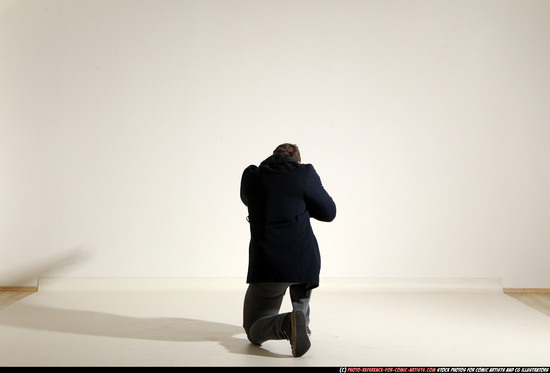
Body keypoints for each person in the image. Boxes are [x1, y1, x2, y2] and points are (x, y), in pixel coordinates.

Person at [240, 143, 336, 357]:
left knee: (254, 330)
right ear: (298, 161)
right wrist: (300, 203)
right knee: (301, 283)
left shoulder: (251, 176)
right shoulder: (304, 173)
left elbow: (249, 200)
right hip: (304, 262)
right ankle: (301, 320)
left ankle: (287, 323)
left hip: (268, 267)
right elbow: (328, 212)